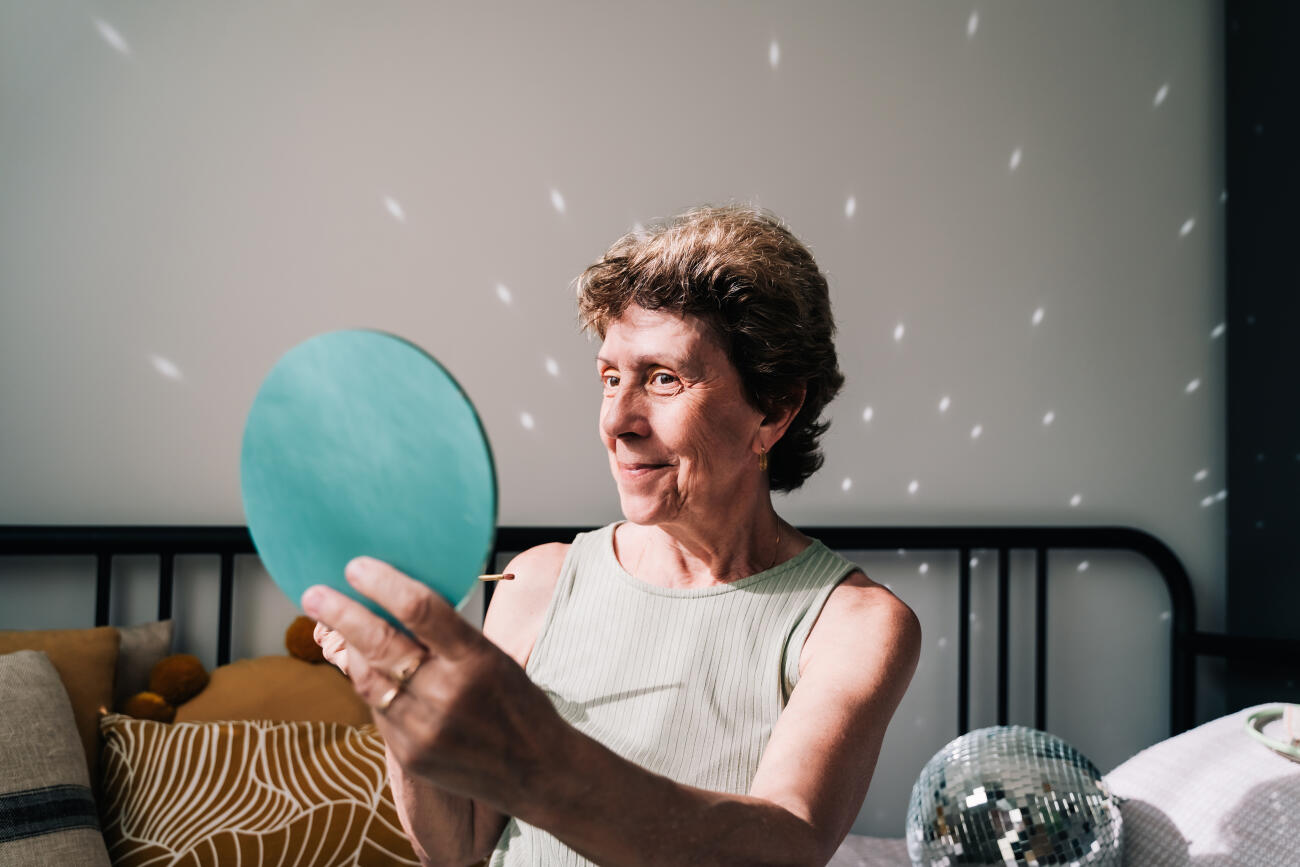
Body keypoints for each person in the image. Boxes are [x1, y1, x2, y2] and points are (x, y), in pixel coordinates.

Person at [304, 205, 921, 866]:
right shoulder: (536, 579)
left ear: (773, 408)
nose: (619, 420)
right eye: (609, 378)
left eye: (663, 378)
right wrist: (399, 695)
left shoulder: (853, 623)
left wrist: (537, 760)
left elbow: (783, 846)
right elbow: (457, 847)